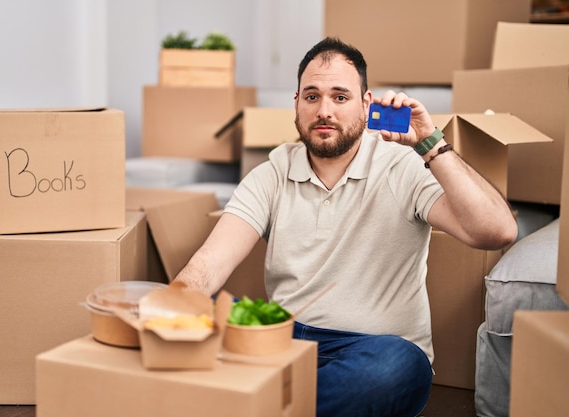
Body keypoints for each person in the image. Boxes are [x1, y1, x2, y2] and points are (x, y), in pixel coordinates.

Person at [174, 37, 517, 417]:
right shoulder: (270, 174)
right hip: (282, 341)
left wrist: (431, 145)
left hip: (370, 350)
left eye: (340, 97)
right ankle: (274, 400)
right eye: (312, 96)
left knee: (397, 366)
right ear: (296, 104)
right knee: (204, 311)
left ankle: (252, 401)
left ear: (366, 105)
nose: (324, 110)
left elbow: (496, 232)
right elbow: (211, 263)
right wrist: (176, 307)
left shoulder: (402, 166)